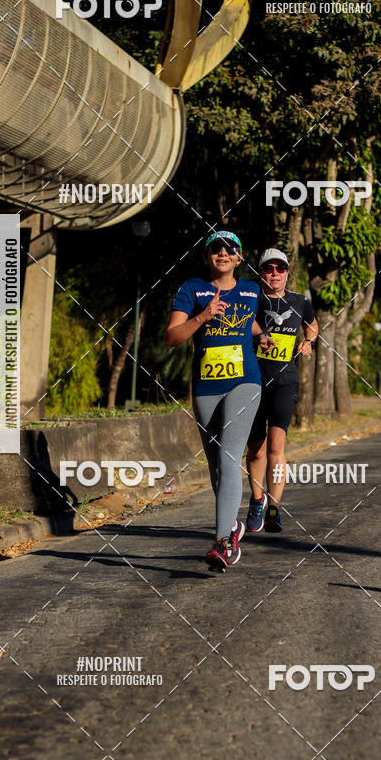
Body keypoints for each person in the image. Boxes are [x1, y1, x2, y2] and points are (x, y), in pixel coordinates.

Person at [164, 231, 271, 571]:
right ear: (207, 256)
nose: (223, 253)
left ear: (239, 258)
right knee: (216, 466)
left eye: (230, 249)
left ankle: (223, 542)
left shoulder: (251, 289)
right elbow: (171, 337)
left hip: (245, 382)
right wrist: (202, 316)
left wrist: (261, 336)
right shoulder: (192, 289)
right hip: (207, 387)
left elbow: (249, 320)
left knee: (228, 456)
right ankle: (232, 527)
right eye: (216, 248)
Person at [245, 248, 318, 534]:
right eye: (268, 269)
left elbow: (312, 325)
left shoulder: (299, 301)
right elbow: (244, 320)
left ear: (288, 272)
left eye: (280, 269)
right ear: (261, 272)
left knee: (276, 447)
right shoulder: (253, 298)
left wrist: (308, 341)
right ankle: (256, 501)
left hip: (285, 382)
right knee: (255, 450)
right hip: (252, 380)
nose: (274, 274)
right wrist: (260, 334)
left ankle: (273, 508)